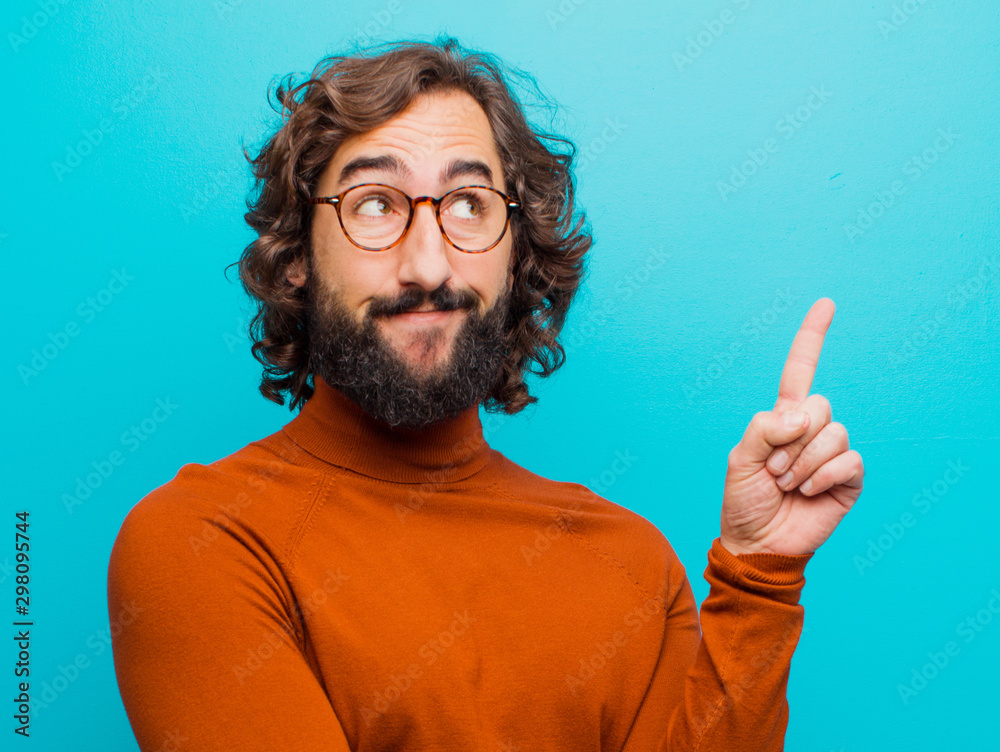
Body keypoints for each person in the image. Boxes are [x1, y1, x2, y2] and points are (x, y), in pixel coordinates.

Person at [106, 37, 864, 751]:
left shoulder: (632, 562)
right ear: (299, 253)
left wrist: (758, 574)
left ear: (516, 256)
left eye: (469, 204)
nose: (429, 265)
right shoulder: (199, 542)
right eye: (375, 204)